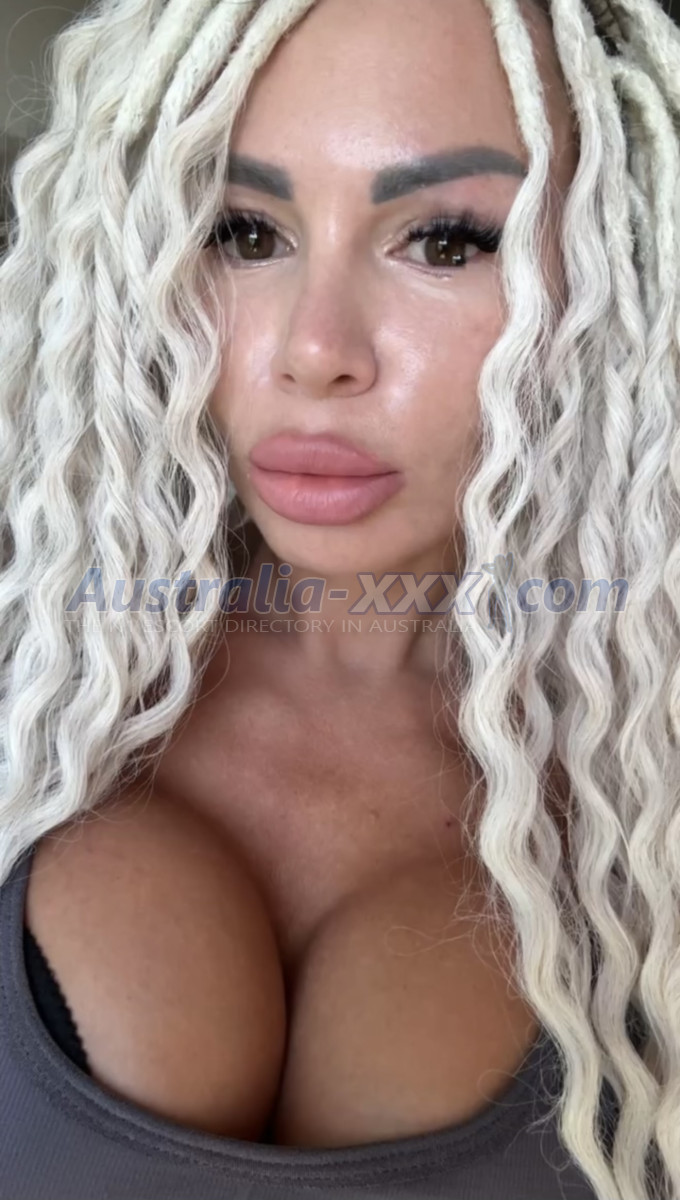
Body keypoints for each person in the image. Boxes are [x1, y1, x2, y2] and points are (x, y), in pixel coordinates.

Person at [0, 0, 677, 1196]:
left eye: (447, 241)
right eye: (245, 231)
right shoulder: (33, 654)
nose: (312, 351)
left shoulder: (649, 786)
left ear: (621, 271)